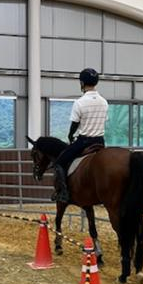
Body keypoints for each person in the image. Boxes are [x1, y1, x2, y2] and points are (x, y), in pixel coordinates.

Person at [52, 68, 108, 203]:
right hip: (100, 142)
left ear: (82, 83)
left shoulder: (80, 102)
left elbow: (75, 123)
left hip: (84, 142)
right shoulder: (104, 102)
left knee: (59, 162)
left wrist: (70, 135)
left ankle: (63, 193)